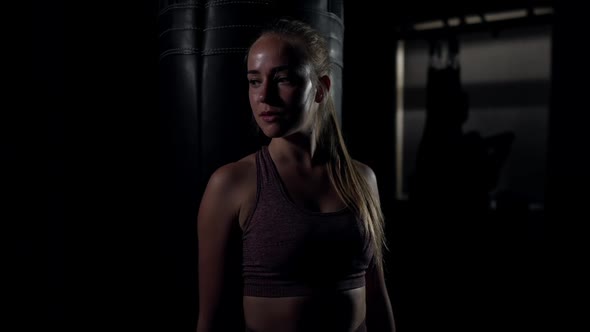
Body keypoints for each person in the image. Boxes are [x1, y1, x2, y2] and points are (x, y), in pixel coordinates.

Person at [196, 18, 395, 332]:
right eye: (254, 81)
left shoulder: (362, 179)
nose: (265, 96)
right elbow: (211, 319)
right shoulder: (232, 184)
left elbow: (379, 297)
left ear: (321, 89)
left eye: (283, 78)